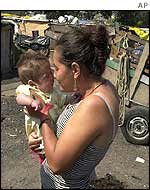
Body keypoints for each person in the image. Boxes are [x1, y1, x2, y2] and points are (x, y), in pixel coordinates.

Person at [28, 25, 120, 189]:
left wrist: (42, 117)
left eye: (57, 68)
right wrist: (44, 143)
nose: (54, 75)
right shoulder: (104, 88)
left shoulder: (93, 106)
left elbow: (56, 164)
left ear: (75, 69)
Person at [16, 50, 71, 163]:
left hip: (54, 136)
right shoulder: (30, 90)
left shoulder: (53, 92)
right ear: (32, 83)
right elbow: (19, 98)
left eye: (51, 72)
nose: (53, 77)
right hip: (40, 139)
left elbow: (64, 99)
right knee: (47, 161)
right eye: (47, 76)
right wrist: (31, 102)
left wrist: (75, 97)